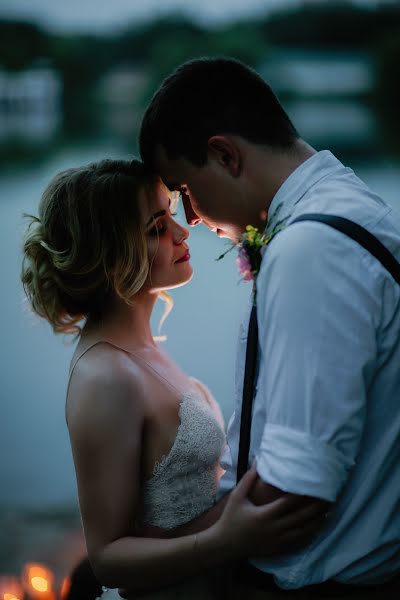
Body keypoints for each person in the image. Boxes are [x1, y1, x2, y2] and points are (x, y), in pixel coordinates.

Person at [138, 57, 400, 598]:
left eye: (184, 189)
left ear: (225, 154)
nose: (191, 218)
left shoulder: (313, 248)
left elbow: (296, 489)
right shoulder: (350, 207)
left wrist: (162, 560)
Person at [21, 158, 324, 599]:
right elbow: (107, 557)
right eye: (156, 226)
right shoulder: (105, 376)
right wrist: (228, 540)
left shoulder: (140, 349)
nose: (183, 233)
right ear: (111, 253)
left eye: (171, 214)